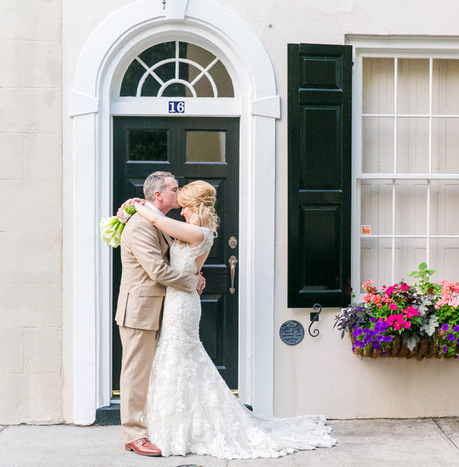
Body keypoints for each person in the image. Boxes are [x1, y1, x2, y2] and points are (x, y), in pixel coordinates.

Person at [125, 180, 337, 459]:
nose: (181, 210)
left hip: (182, 301)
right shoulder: (195, 231)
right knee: (176, 360)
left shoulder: (196, 232)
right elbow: (157, 226)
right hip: (178, 299)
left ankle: (178, 428)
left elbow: (154, 218)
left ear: (193, 207)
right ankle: (172, 425)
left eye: (185, 205)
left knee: (180, 358)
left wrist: (133, 206)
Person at [116, 171, 205, 457]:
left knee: (149, 373)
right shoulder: (142, 224)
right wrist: (192, 281)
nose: (178, 194)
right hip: (139, 311)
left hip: (159, 309)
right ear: (158, 195)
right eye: (174, 189)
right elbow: (157, 270)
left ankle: (149, 426)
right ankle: (134, 435)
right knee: (135, 374)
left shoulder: (159, 220)